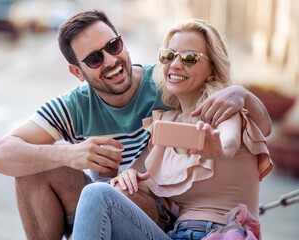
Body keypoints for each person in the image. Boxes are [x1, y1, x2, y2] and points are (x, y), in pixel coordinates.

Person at [0, 10, 272, 240]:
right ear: (77, 72)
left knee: (100, 194)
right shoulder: (78, 106)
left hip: (162, 216)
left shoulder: (168, 87)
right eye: (95, 58)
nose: (111, 60)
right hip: (121, 200)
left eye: (113, 46)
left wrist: (242, 95)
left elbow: (254, 132)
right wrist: (71, 155)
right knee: (33, 170)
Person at [71, 19, 273, 240]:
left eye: (189, 58)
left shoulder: (224, 111)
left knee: (96, 193)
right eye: (168, 56)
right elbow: (141, 177)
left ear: (211, 68)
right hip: (174, 235)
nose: (175, 65)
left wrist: (215, 146)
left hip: (219, 233)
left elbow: (229, 142)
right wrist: (128, 174)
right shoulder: (166, 123)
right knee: (97, 194)